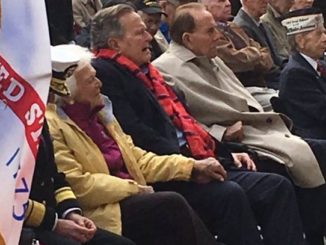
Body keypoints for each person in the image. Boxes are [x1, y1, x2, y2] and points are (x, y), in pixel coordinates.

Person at [91, 4, 306, 245]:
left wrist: (226, 152)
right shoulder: (105, 74)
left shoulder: (146, 71)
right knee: (233, 194)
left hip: (198, 155)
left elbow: (187, 123)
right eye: (139, 32)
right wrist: (191, 164)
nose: (149, 36)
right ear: (114, 44)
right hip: (168, 170)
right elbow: (138, 135)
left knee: (275, 182)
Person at [153, 3, 326, 245]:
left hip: (254, 128)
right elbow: (182, 120)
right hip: (231, 142)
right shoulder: (165, 69)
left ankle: (315, 235)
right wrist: (220, 132)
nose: (218, 36)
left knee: (317, 151)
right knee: (286, 173)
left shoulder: (211, 58)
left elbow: (242, 97)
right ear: (188, 38)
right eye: (211, 31)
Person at [47, 44, 224, 245]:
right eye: (91, 80)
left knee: (223, 192)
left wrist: (190, 166)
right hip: (102, 211)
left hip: (135, 197)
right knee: (170, 204)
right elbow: (78, 185)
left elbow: (137, 159)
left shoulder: (100, 113)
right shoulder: (53, 125)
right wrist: (133, 188)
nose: (99, 83)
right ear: (68, 91)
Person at [21, 50, 136, 245]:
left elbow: (54, 176)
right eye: (49, 94)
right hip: (22, 226)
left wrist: (71, 212)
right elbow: (8, 197)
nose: (51, 102)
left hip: (53, 217)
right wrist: (55, 222)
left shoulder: (37, 117)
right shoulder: (11, 127)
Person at [200, 0, 277, 111]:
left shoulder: (232, 26)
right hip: (241, 90)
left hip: (260, 85)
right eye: (220, 1)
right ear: (205, 6)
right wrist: (257, 54)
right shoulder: (213, 36)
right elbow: (236, 60)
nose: (228, 3)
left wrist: (252, 56)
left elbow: (267, 55)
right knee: (284, 100)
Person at [234, 0, 284, 82]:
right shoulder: (241, 27)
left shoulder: (262, 23)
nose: (266, 1)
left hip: (277, 74)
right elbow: (261, 68)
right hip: (266, 81)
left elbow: (276, 57)